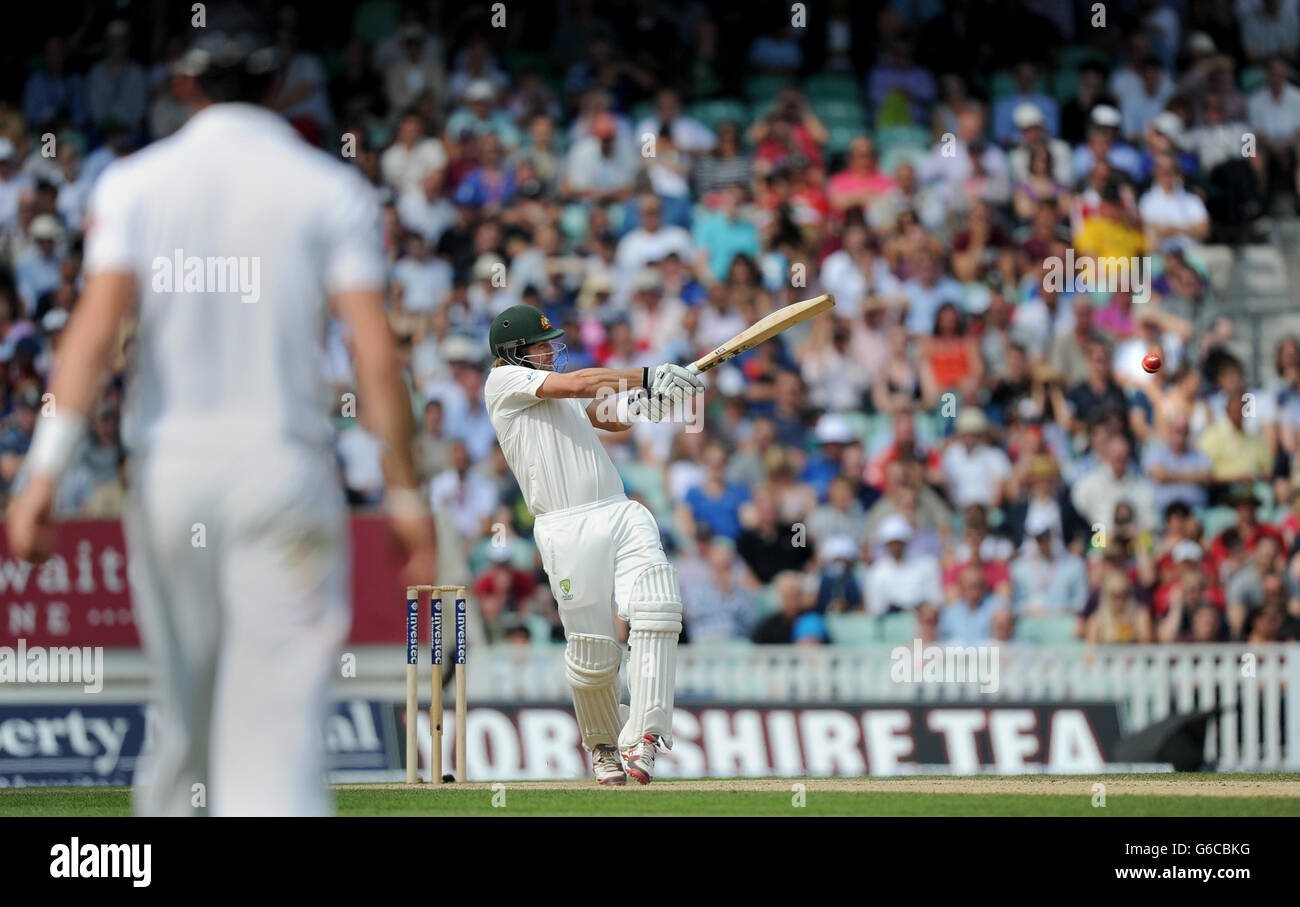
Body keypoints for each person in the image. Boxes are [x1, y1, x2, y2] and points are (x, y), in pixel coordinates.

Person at [4, 34, 437, 816]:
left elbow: (93, 336)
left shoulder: (135, 182)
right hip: (284, 470)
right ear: (276, 89)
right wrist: (405, 493)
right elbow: (375, 354)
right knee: (281, 736)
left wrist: (44, 473)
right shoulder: (329, 186)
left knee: (184, 720)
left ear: (184, 87)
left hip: (172, 469)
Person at [483, 302, 704, 784]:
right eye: (541, 346)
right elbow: (580, 384)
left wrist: (645, 402)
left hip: (618, 509)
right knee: (593, 652)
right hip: (563, 528)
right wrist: (646, 374)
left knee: (657, 606)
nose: (551, 351)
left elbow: (602, 415)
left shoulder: (553, 386)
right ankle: (603, 744)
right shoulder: (503, 383)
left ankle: (646, 735)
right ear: (514, 351)